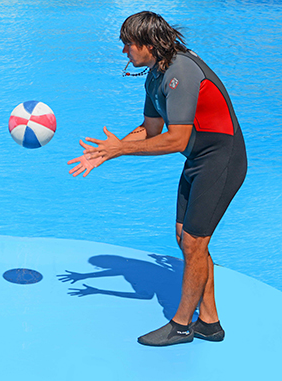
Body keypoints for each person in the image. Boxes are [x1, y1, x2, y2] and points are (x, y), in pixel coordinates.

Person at [68, 11, 247, 346]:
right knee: (186, 237)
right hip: (198, 159)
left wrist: (119, 151)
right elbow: (151, 130)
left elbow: (176, 139)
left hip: (222, 159)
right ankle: (209, 321)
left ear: (149, 44)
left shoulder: (180, 70)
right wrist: (106, 151)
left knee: (195, 242)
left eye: (128, 44)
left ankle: (181, 326)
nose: (124, 51)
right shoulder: (155, 75)